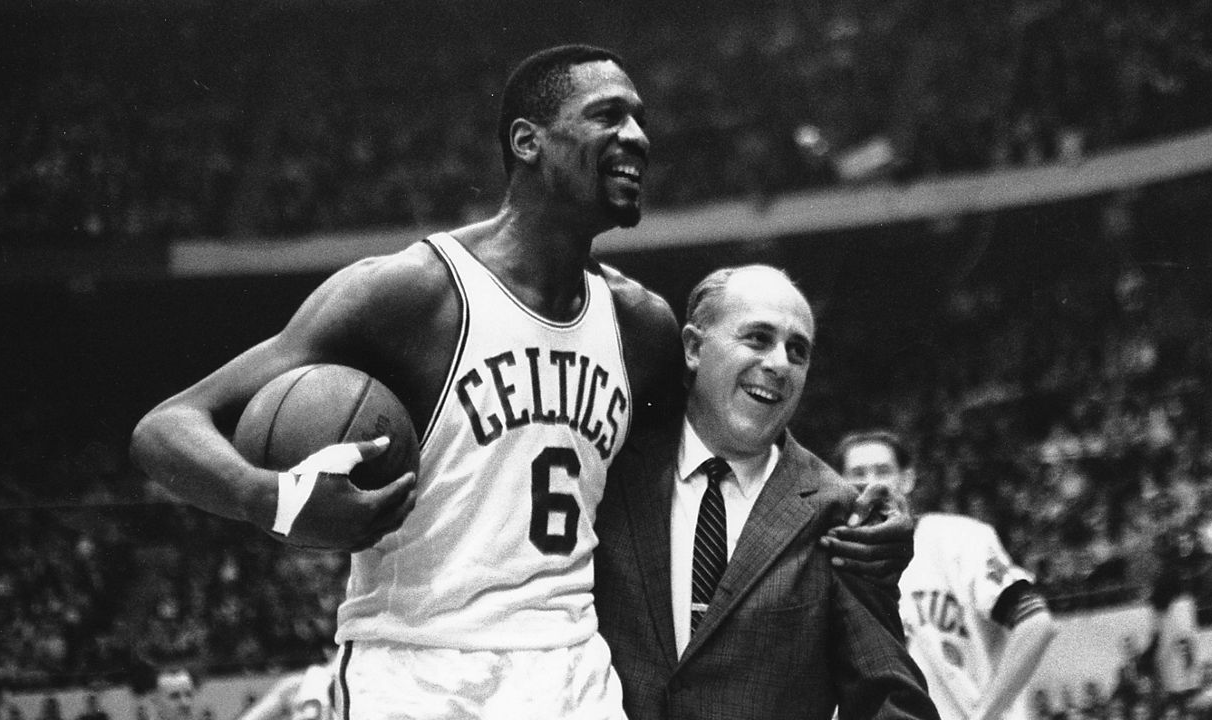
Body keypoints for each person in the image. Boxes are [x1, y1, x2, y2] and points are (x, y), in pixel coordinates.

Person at [132, 44, 907, 719]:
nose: (638, 136)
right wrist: (275, 501)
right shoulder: (412, 294)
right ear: (528, 141)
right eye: (608, 116)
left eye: (639, 118)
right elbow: (169, 426)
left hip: (570, 670)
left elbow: (734, 431)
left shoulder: (639, 324)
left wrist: (856, 513)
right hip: (416, 666)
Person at [594, 265, 938, 720]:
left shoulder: (836, 513)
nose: (779, 363)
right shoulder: (611, 469)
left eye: (798, 351)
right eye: (757, 338)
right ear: (694, 348)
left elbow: (887, 697)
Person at [834, 429, 1060, 720]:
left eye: (883, 471)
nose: (870, 483)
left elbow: (1036, 624)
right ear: (838, 485)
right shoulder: (831, 563)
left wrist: (984, 716)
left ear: (907, 479)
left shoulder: (959, 540)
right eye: (857, 473)